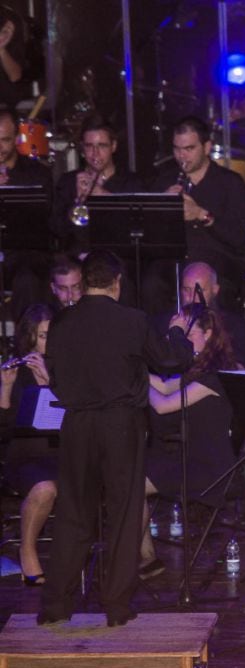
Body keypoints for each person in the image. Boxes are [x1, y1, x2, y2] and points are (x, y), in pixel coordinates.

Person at [39, 250, 193, 627]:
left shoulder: (61, 323)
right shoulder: (132, 320)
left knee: (73, 513)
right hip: (120, 424)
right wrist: (178, 333)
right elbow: (170, 361)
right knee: (124, 514)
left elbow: (55, 378)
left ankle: (57, 605)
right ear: (117, 282)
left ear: (86, 282)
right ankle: (117, 606)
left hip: (75, 425)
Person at [139, 304, 242, 578]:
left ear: (207, 334)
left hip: (211, 470)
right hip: (191, 460)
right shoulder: (200, 370)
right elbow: (163, 384)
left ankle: (145, 558)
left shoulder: (217, 374)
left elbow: (162, 404)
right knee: (128, 479)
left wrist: (137, 378)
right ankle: (144, 558)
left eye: (188, 333)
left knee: (131, 485)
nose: (183, 340)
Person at [147, 116, 245, 314]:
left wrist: (201, 214)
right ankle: (162, 343)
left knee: (217, 289)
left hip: (218, 261)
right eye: (177, 149)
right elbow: (150, 237)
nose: (182, 156)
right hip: (176, 261)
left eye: (189, 149)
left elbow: (238, 238)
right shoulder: (164, 182)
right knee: (151, 285)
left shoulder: (231, 183)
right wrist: (161, 205)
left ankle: (219, 343)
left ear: (206, 147)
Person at [0, 304, 55, 585]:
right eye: (41, 336)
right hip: (26, 457)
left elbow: (77, 418)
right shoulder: (18, 371)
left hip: (64, 453)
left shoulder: (66, 368)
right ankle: (27, 549)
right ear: (30, 338)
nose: (45, 342)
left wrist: (49, 382)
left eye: (49, 335)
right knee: (45, 487)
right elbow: (6, 430)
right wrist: (6, 388)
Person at [50, 115, 143, 253]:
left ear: (114, 146)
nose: (95, 154)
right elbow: (57, 229)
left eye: (102, 146)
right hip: (78, 260)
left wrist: (105, 196)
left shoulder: (132, 182)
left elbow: (137, 229)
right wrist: (78, 203)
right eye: (89, 146)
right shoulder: (68, 181)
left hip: (118, 259)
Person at [0, 107, 55, 320]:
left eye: (4, 140)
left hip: (25, 254)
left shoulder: (36, 174)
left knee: (27, 279)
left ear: (16, 138)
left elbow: (45, 219)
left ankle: (27, 345)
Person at [153, 262, 245, 370]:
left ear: (215, 290)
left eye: (200, 291)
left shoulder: (235, 325)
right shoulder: (164, 322)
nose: (192, 297)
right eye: (186, 289)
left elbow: (241, 368)